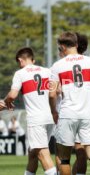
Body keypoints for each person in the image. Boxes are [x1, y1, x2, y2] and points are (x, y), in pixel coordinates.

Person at [49, 31, 90, 175]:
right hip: (88, 115)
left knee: (63, 158)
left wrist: (53, 111)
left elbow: (52, 94)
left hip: (68, 114)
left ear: (62, 47)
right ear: (76, 44)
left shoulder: (58, 65)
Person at [4, 47, 56, 175]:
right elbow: (54, 93)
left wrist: (5, 102)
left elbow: (12, 95)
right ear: (33, 59)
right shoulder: (47, 71)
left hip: (36, 119)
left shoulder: (20, 73)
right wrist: (54, 111)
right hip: (48, 118)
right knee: (33, 152)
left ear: (20, 60)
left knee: (43, 154)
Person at [54, 32, 88, 175]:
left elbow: (53, 91)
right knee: (82, 152)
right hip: (83, 113)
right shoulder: (88, 63)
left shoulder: (60, 66)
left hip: (65, 113)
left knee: (61, 154)